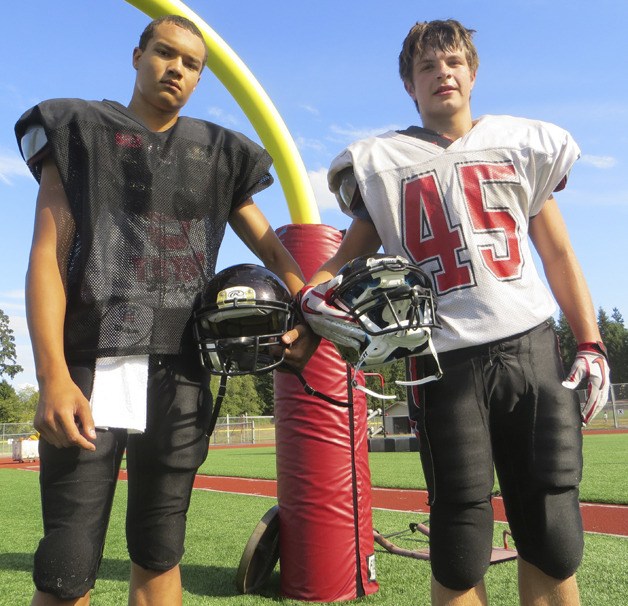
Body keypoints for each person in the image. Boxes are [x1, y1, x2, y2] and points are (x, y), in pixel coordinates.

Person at [300, 19, 610, 606]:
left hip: (531, 346)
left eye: (453, 63)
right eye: (426, 66)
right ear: (408, 86)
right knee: (461, 535)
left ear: (472, 73)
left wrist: (590, 342)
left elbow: (558, 252)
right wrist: (309, 295)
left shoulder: (521, 144)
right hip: (444, 361)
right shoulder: (381, 161)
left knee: (552, 528)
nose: (442, 73)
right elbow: (343, 259)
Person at [16, 15, 313, 605]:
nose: (176, 68)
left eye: (191, 63)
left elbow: (274, 248)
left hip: (178, 368)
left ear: (200, 78)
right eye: (164, 52)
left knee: (159, 550)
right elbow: (47, 255)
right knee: (67, 565)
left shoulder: (214, 153)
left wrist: (305, 311)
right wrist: (50, 374)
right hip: (89, 361)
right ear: (137, 55)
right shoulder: (83, 128)